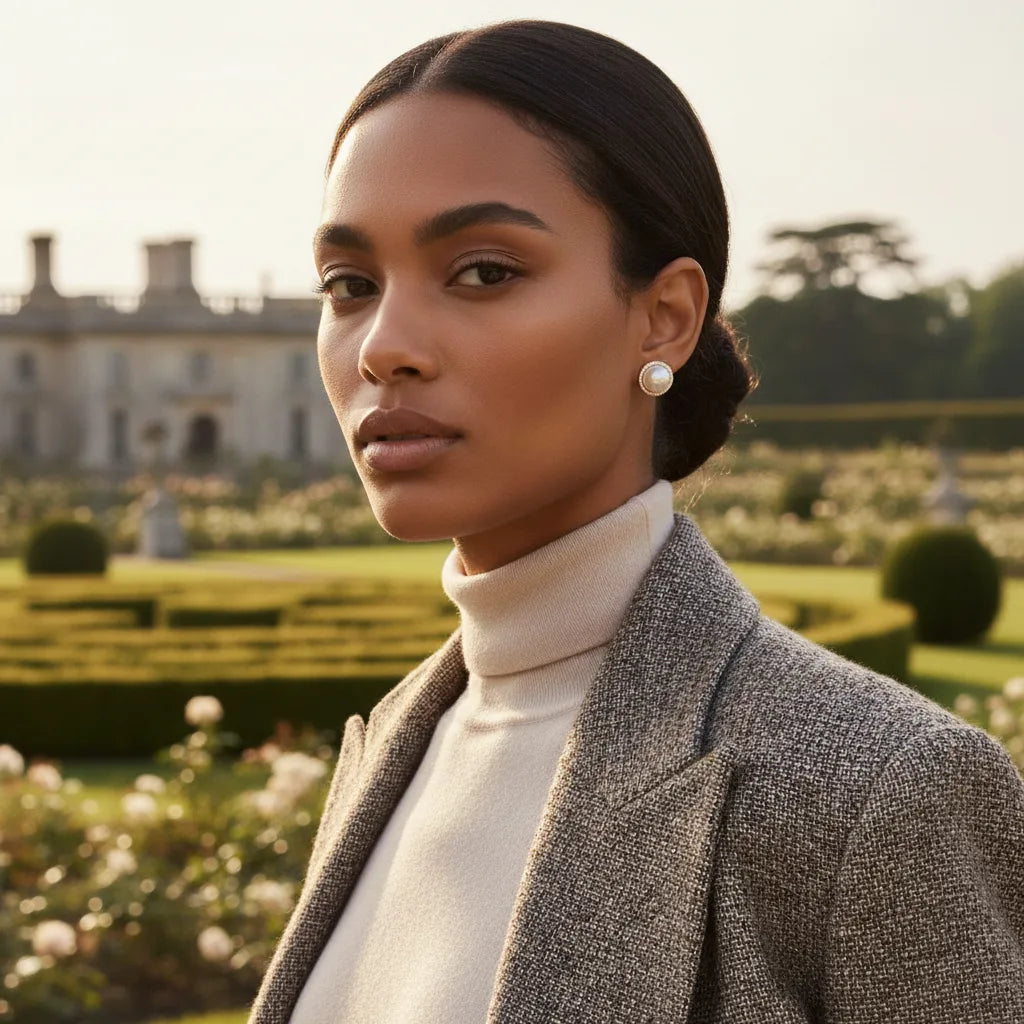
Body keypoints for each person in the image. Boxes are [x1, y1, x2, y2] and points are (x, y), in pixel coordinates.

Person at [249, 20, 1024, 1024]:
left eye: (483, 271)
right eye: (350, 285)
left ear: (663, 317)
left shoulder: (880, 788)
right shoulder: (396, 739)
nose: (383, 346)